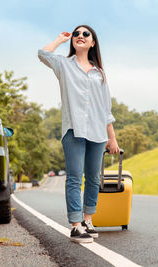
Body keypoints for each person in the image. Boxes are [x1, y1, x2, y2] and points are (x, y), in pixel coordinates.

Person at [38, 25, 119, 243]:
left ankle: (87, 220)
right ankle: (75, 225)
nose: (79, 36)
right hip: (73, 129)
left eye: (85, 34)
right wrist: (59, 40)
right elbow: (43, 53)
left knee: (92, 178)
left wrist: (112, 138)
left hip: (97, 132)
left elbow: (105, 109)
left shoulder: (99, 73)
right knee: (74, 178)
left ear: (93, 43)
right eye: (76, 34)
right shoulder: (64, 65)